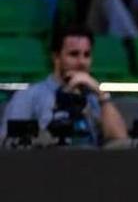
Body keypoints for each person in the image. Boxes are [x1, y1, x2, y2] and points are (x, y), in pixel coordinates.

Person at [0, 25, 128, 146]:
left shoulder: (95, 99)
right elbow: (8, 145)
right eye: (74, 54)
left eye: (87, 55)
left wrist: (101, 95)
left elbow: (121, 144)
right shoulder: (29, 96)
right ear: (56, 57)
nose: (82, 62)